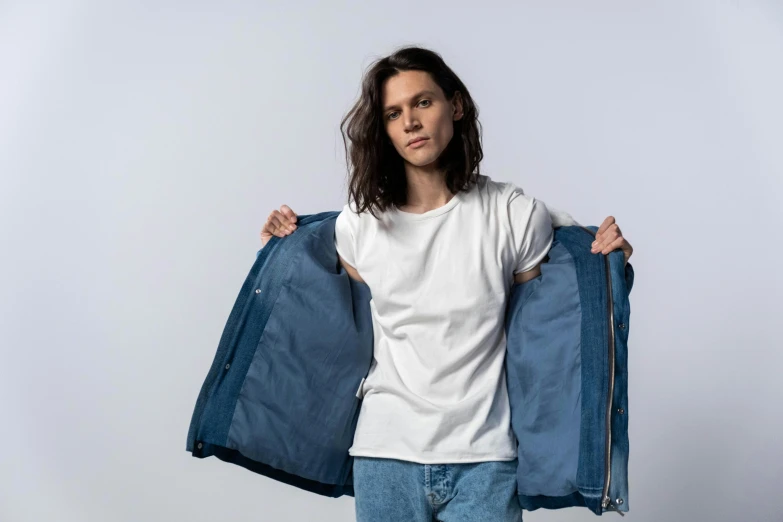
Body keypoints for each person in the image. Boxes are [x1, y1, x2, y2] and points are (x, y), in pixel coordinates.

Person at [259, 46, 633, 522]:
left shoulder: (509, 213)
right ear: (385, 130)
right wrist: (282, 247)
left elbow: (546, 323)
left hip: (486, 459)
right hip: (385, 454)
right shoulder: (361, 224)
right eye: (394, 113)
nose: (410, 122)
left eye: (423, 103)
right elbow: (335, 324)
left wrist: (606, 266)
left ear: (454, 106)